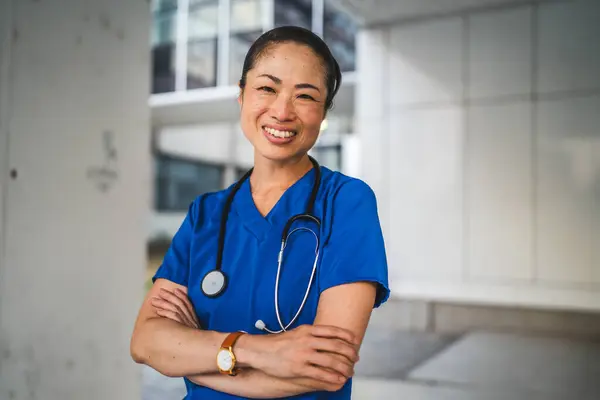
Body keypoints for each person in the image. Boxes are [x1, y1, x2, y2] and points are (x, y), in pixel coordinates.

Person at [130, 25, 390, 399]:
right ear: (242, 95)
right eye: (267, 88)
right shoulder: (205, 214)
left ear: (323, 112)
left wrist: (195, 356)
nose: (282, 111)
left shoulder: (346, 203)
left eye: (305, 96)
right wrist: (262, 352)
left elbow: (327, 368)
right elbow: (145, 342)